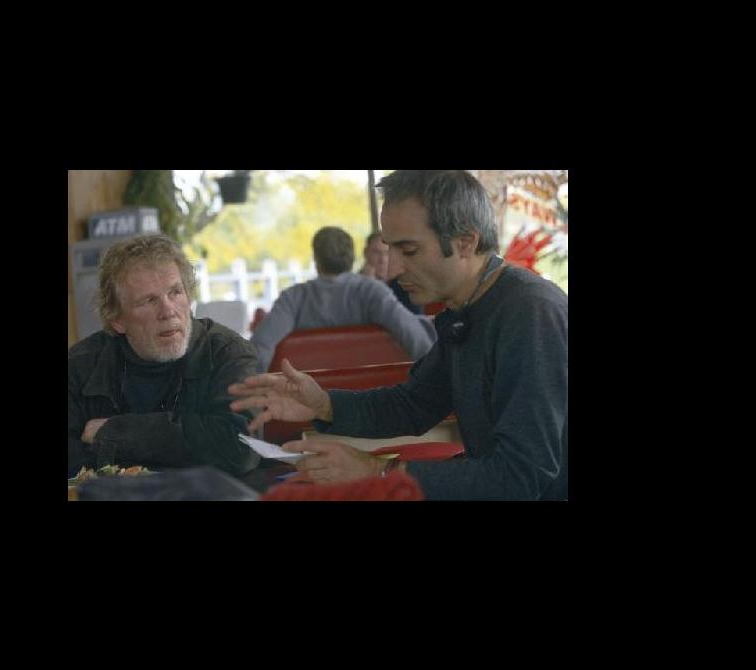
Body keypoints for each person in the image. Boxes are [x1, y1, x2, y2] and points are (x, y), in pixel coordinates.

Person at [229, 170, 567, 500]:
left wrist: (378, 471)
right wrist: (323, 405)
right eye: (390, 248)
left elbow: (521, 477)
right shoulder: (466, 308)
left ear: (465, 243)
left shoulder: (530, 312)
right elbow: (414, 405)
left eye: (409, 251)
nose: (392, 268)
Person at [68, 234, 260, 478]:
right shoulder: (80, 366)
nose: (168, 311)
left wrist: (115, 432)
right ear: (117, 320)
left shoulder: (227, 353)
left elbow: (241, 447)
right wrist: (188, 443)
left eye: (175, 292)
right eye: (148, 301)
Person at [250, 226, 436, 373]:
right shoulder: (372, 292)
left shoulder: (293, 298)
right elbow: (414, 336)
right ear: (353, 258)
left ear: (316, 260)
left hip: (303, 399)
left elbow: (260, 345)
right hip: (373, 396)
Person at [360, 231, 421, 314]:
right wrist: (368, 286)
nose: (383, 260)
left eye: (387, 253)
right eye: (377, 252)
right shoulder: (353, 284)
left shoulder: (406, 285)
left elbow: (412, 319)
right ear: (366, 253)